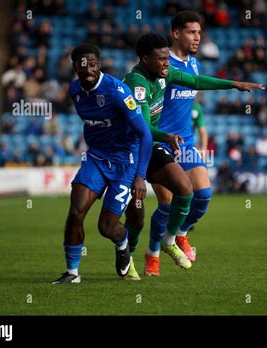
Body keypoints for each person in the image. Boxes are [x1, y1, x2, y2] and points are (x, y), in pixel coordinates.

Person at [124, 28, 264, 277]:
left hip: (154, 147)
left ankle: (170, 240)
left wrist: (233, 84)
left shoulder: (165, 73)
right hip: (130, 151)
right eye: (162, 59)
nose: (167, 64)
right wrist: (167, 136)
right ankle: (127, 258)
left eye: (168, 59)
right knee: (135, 218)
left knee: (187, 190)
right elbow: (144, 129)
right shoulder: (138, 83)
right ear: (145, 59)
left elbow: (196, 81)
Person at [51, 43, 153, 284]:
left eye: (93, 64)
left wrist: (140, 176)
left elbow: (145, 134)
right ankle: (72, 273)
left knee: (106, 228)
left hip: (125, 163)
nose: (88, 70)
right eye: (83, 65)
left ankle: (123, 243)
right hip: (96, 158)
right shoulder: (75, 90)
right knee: (75, 212)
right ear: (75, 66)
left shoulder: (117, 91)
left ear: (99, 65)